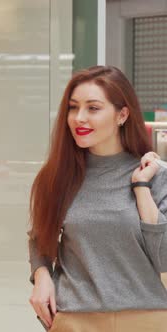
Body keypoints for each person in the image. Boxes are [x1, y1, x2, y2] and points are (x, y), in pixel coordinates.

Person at [28, 65, 167, 331]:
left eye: (93, 108)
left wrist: (140, 187)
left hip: (148, 319)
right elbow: (39, 238)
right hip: (76, 319)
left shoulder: (156, 176)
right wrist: (41, 274)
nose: (79, 118)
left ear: (122, 114)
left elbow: (164, 258)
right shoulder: (56, 177)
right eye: (73, 107)